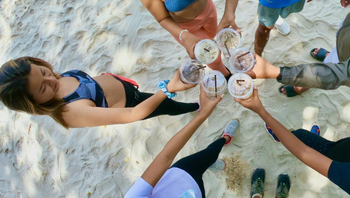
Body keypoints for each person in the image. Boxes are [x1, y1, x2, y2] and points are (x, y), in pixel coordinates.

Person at [0, 56, 200, 128]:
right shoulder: (70, 112)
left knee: (161, 102)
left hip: (126, 89)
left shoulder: (53, 80)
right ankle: (195, 108)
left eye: (44, 71)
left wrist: (109, 78)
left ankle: (189, 106)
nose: (51, 80)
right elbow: (133, 114)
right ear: (34, 103)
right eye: (43, 88)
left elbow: (85, 84)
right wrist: (168, 89)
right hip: (133, 105)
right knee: (168, 105)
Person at [123, 87, 239, 198]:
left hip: (183, 172)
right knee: (208, 159)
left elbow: (166, 156)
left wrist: (203, 115)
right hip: (197, 195)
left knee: (211, 153)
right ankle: (212, 160)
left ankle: (225, 138)